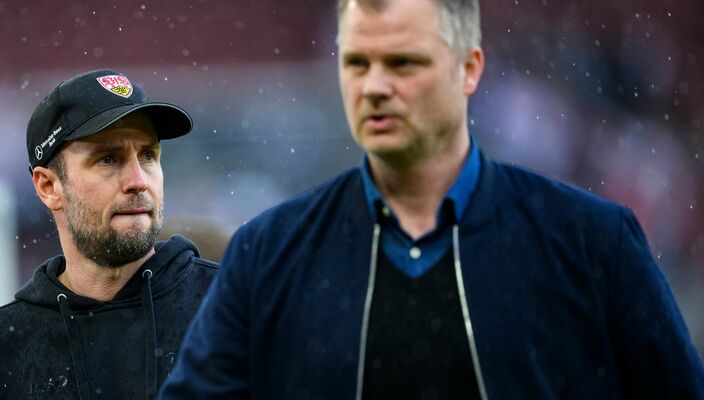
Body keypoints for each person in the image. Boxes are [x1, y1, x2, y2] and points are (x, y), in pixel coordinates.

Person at [159, 0, 704, 398]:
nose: (373, 85)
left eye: (402, 64)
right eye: (356, 63)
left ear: (469, 69)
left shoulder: (592, 242)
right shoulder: (268, 251)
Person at [0, 69, 218, 399]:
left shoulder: (230, 307)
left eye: (148, 155)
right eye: (108, 159)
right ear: (49, 187)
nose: (138, 180)